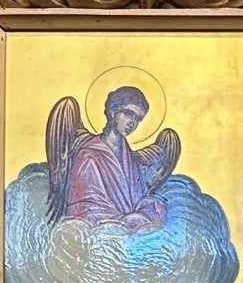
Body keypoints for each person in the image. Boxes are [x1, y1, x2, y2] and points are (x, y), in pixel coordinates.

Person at [47, 86, 178, 231]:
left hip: (129, 233)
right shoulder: (88, 156)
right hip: (101, 232)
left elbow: (137, 200)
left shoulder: (132, 161)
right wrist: (126, 220)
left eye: (138, 118)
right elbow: (86, 208)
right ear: (113, 112)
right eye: (128, 114)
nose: (132, 123)